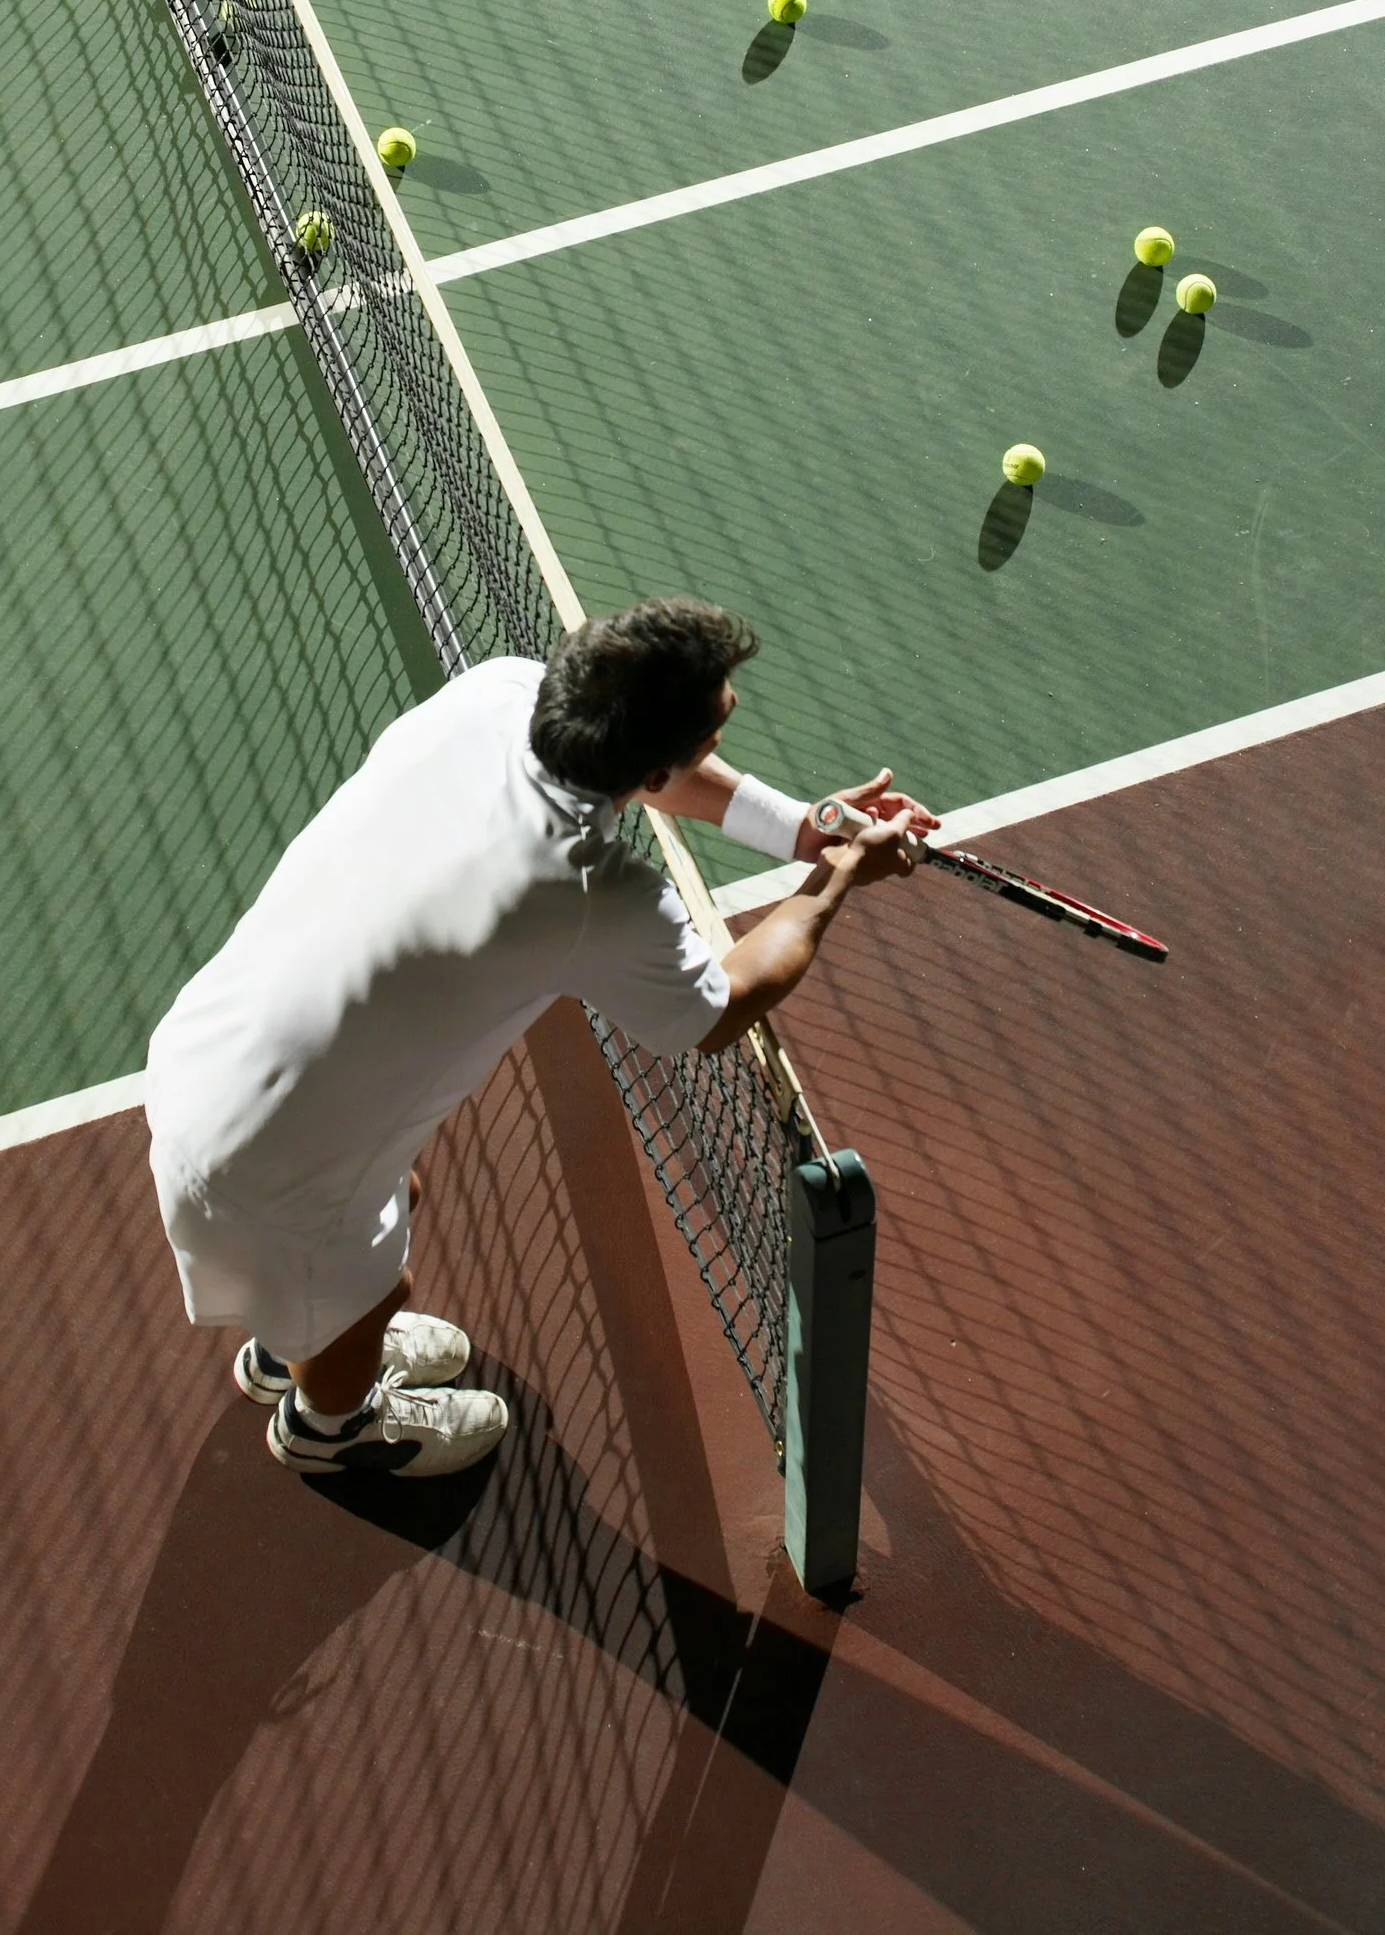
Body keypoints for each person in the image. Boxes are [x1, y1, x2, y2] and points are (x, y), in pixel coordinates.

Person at [145, 597, 937, 1476]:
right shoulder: (590, 890)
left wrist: (797, 827)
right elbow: (722, 1009)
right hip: (260, 1168)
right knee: (375, 1285)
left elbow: (657, 772)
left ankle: (288, 1334)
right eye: (709, 738)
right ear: (662, 761)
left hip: (203, 1052)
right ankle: (330, 1425)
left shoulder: (496, 694)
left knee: (388, 1196)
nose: (714, 746)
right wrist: (832, 879)